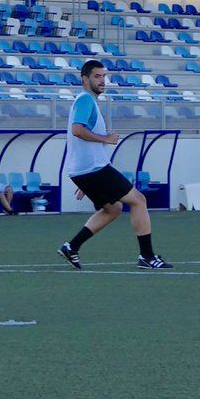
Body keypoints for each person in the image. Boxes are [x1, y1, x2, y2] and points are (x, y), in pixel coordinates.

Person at [56, 60, 172, 270]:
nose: (102, 81)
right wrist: (105, 138)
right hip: (92, 169)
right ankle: (147, 256)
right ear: (85, 79)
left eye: (103, 76)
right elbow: (77, 130)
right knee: (138, 200)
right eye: (97, 76)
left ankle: (71, 247)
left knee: (113, 209)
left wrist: (84, 178)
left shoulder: (87, 101)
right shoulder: (85, 100)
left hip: (86, 170)